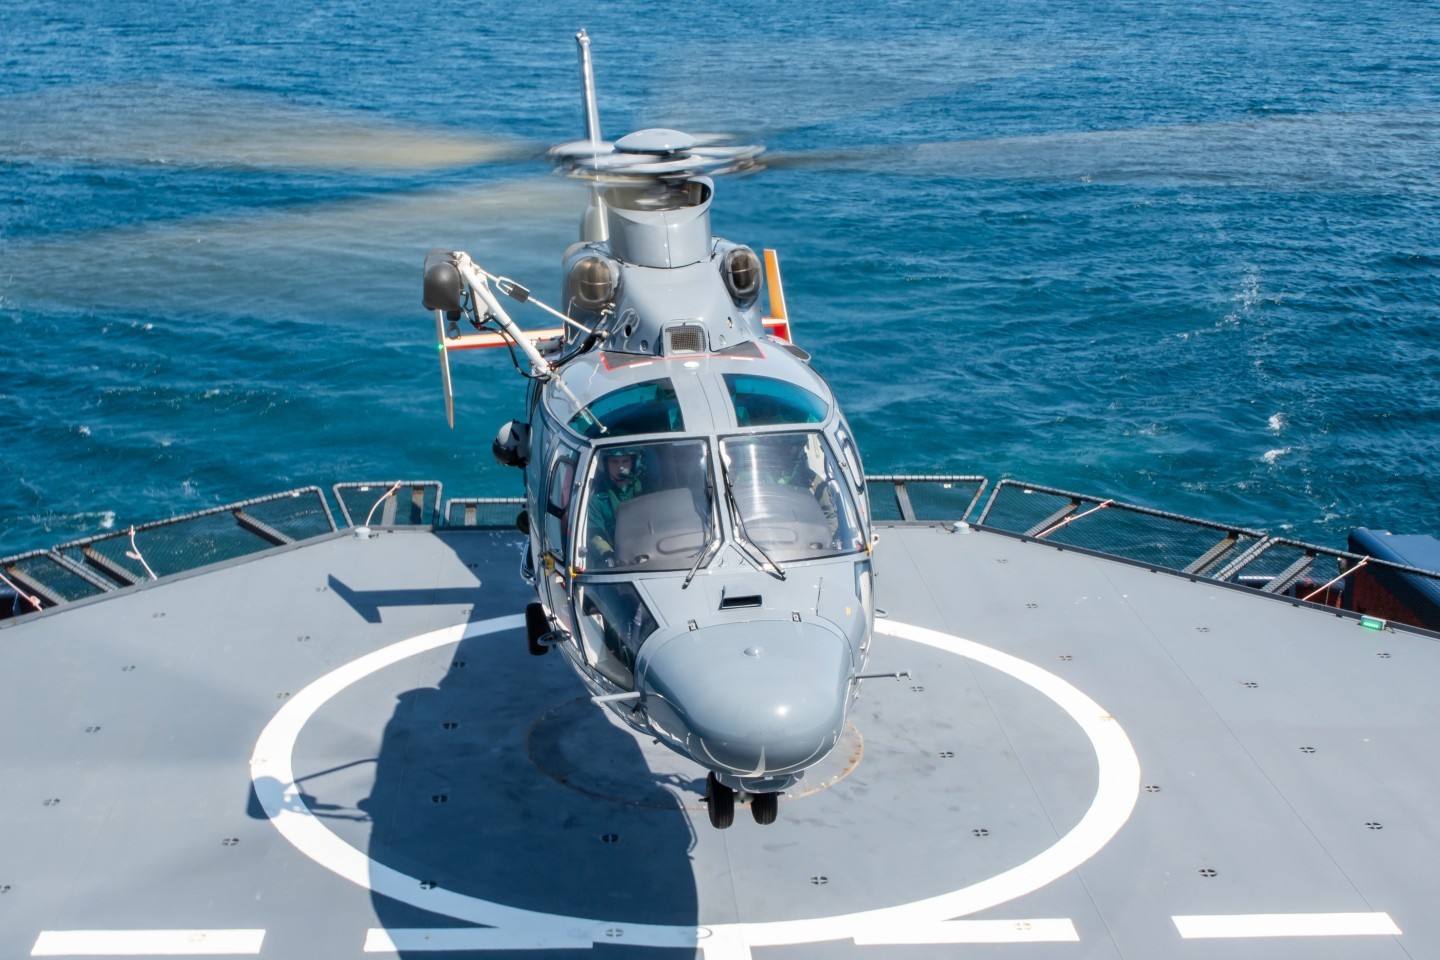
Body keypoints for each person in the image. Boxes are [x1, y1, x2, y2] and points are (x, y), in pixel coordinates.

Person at [586, 448, 644, 565]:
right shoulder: (597, 499)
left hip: (649, 552)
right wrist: (608, 555)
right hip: (617, 559)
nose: (621, 467)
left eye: (625, 461)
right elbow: (594, 533)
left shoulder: (646, 489)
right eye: (615, 462)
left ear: (633, 463)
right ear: (605, 464)